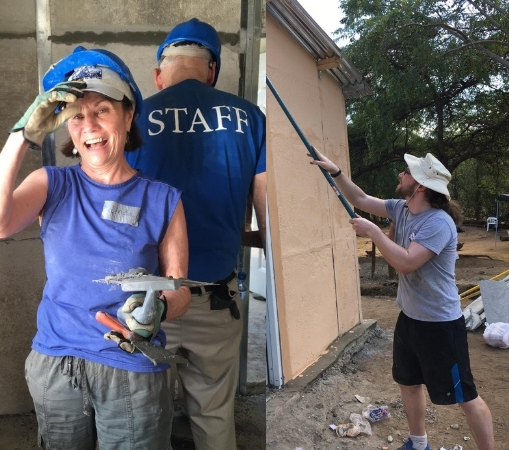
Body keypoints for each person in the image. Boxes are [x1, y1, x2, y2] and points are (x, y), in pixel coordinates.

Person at [0, 46, 191, 448]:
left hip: (132, 367)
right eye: (76, 115)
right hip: (57, 365)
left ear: (128, 115)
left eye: (103, 109)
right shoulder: (51, 184)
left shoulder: (164, 199)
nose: (88, 124)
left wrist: (158, 308)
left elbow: (179, 289)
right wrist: (23, 136)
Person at [125, 18, 266, 448]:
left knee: (143, 420)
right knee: (214, 414)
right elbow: (269, 217)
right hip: (216, 299)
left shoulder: (130, 119)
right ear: (212, 70)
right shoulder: (251, 119)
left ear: (158, 74)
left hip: (145, 303)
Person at [311, 150, 494, 450]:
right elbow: (361, 199)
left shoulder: (439, 223)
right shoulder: (403, 208)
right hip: (410, 319)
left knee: (466, 396)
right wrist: (336, 172)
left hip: (441, 326)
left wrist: (373, 232)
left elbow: (407, 262)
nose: (401, 174)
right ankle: (418, 444)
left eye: (407, 172)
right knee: (408, 382)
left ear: (420, 185)